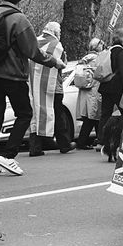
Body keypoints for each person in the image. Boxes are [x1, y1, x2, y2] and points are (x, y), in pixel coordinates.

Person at [0, 0, 63, 177]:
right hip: (12, 75)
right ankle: (8, 155)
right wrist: (54, 62)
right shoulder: (19, 20)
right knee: (24, 113)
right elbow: (33, 51)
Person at [27, 21, 69, 157]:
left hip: (33, 86)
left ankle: (35, 147)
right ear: (55, 32)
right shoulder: (57, 45)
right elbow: (62, 64)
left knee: (36, 114)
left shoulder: (35, 41)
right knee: (58, 114)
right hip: (52, 86)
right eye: (60, 31)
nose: (60, 34)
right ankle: (64, 144)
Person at [97, 29, 123, 153]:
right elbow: (122, 70)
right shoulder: (120, 52)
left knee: (105, 114)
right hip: (117, 87)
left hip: (105, 86)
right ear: (119, 38)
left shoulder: (108, 50)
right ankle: (122, 139)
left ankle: (101, 140)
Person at [72, 37, 103, 150]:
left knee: (91, 118)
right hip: (93, 90)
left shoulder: (84, 59)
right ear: (98, 46)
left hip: (84, 91)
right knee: (93, 117)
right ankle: (85, 141)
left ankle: (97, 139)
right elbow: (100, 74)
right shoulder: (97, 59)